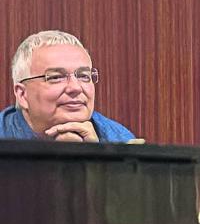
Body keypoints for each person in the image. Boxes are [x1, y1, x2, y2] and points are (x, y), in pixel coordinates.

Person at [2, 30, 134, 142]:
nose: (75, 88)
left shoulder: (119, 140)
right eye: (56, 77)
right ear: (22, 95)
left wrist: (96, 157)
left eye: (84, 76)